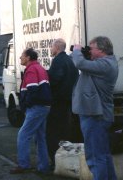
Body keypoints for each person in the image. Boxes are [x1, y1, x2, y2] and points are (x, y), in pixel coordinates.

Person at [72, 36, 119, 180]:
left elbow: (79, 62)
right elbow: (77, 61)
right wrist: (81, 53)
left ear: (101, 50)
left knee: (94, 157)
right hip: (96, 115)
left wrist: (78, 50)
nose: (90, 51)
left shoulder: (106, 65)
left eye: (91, 49)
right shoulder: (103, 63)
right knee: (103, 155)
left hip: (95, 116)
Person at [10, 48, 51, 174]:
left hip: (36, 107)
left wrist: (26, 105)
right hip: (44, 106)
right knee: (40, 137)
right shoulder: (40, 68)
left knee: (23, 135)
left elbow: (32, 90)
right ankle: (43, 167)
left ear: (28, 58)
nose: (20, 58)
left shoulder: (31, 69)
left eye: (22, 55)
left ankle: (23, 164)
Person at [46, 38, 79, 168]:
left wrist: (47, 77)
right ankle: (67, 159)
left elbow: (55, 79)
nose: (51, 49)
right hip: (69, 100)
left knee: (54, 131)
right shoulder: (70, 60)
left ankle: (56, 161)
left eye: (52, 47)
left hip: (58, 101)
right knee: (66, 129)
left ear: (57, 48)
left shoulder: (58, 60)